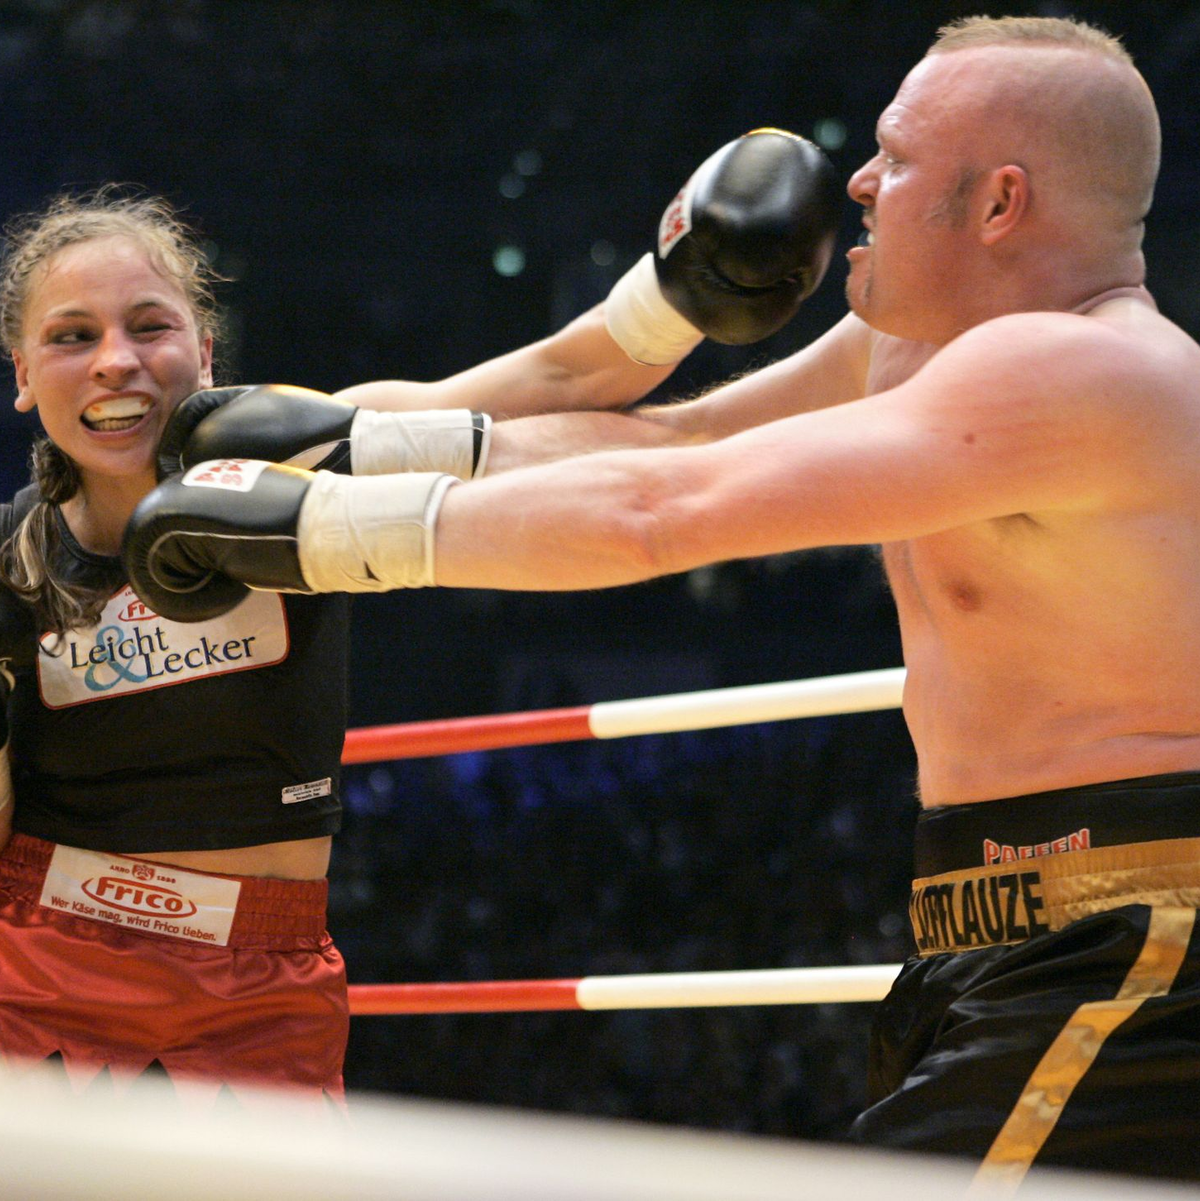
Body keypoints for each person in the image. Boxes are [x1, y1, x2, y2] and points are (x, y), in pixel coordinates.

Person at [127, 14, 1200, 1183]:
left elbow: (665, 506)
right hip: (991, 922)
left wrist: (326, 535)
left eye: (893, 155)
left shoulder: (1088, 368)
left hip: (1139, 920)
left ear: (999, 204)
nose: (855, 179)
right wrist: (362, 445)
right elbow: (669, 433)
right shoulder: (909, 348)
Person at [0, 132, 835, 1104]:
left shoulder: (306, 455)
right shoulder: (8, 566)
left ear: (206, 348)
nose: (116, 362)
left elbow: (556, 384)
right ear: (21, 371)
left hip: (260, 978)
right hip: (48, 963)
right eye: (72, 336)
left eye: (150, 325)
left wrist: (683, 292)